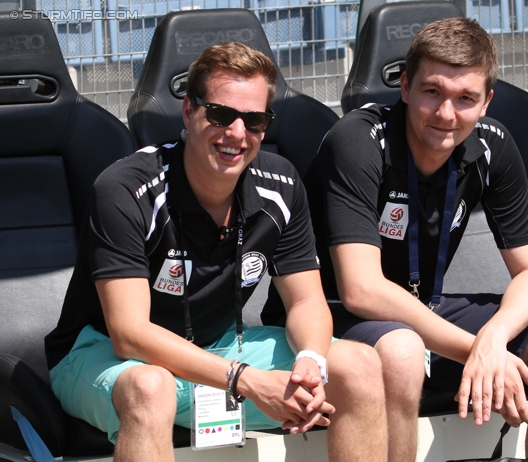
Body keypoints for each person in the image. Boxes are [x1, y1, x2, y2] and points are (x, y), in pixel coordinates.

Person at [44, 42, 387, 462]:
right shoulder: (126, 188)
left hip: (219, 348)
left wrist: (312, 360)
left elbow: (306, 300)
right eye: (221, 114)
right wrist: (246, 380)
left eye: (255, 120)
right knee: (151, 388)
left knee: (360, 366)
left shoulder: (280, 184)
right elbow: (128, 333)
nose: (237, 134)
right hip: (108, 355)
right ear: (189, 111)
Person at [298, 17, 528, 459]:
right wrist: (476, 351)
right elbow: (360, 288)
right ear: (405, 87)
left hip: (426, 308)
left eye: (465, 98)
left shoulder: (492, 144)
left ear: (487, 102)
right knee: (403, 350)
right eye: (432, 92)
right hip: (337, 316)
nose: (446, 114)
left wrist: (494, 338)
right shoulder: (358, 139)